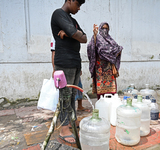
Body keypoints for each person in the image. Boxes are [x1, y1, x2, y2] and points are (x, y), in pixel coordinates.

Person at [51, 0, 87, 144]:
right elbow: (76, 33)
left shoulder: (73, 20)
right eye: (77, 4)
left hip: (75, 62)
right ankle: (64, 128)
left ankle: (72, 120)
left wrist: (70, 33)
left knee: (72, 95)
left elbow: (84, 38)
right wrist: (72, 33)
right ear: (70, 0)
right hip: (64, 62)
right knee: (65, 95)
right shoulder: (58, 14)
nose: (78, 8)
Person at [87, 22, 123, 99]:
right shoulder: (96, 37)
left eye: (106, 28)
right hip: (99, 68)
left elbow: (117, 48)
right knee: (101, 88)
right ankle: (101, 103)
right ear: (100, 28)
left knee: (111, 89)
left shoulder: (110, 39)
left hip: (109, 68)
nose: (105, 30)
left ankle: (111, 104)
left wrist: (113, 55)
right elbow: (91, 48)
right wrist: (95, 36)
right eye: (103, 28)